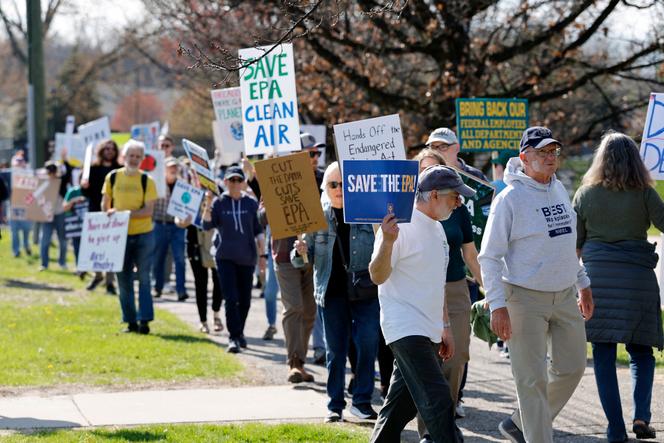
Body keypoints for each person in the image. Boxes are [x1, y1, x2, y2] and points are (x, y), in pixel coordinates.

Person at [478, 126, 594, 443]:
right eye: (542, 152)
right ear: (524, 158)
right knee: (531, 381)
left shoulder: (558, 189)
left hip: (564, 295)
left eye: (553, 151)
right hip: (523, 300)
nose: (549, 158)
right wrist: (498, 306)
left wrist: (582, 282)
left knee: (572, 368)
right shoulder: (509, 199)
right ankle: (536, 434)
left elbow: (567, 244)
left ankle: (519, 422)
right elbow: (488, 257)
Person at [369, 165, 474, 443]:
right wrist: (387, 242)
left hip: (429, 329)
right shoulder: (398, 225)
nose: (459, 202)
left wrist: (445, 327)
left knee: (399, 409)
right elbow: (377, 275)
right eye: (455, 196)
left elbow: (437, 283)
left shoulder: (438, 229)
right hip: (404, 328)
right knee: (438, 400)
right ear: (435, 195)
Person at [573, 132, 663, 442]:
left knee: (603, 353)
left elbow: (575, 245)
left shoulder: (585, 194)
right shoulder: (644, 193)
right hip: (638, 280)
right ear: (636, 160)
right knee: (642, 353)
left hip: (597, 282)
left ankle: (614, 428)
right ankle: (641, 417)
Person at [293, 161, 379, 422]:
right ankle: (335, 405)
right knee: (336, 351)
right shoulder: (315, 216)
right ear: (325, 187)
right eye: (333, 184)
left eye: (344, 184)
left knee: (367, 344)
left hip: (366, 291)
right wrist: (299, 252)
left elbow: (383, 249)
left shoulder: (367, 213)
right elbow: (299, 261)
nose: (339, 188)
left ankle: (362, 402)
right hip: (331, 294)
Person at [413, 148, 483, 439]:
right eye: (422, 171)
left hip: (454, 289)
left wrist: (487, 287)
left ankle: (446, 418)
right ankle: (430, 430)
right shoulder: (408, 212)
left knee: (455, 360)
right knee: (428, 363)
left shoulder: (457, 209)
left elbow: (470, 252)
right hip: (420, 290)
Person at [202, 166, 265, 353]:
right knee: (230, 298)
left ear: (243, 182)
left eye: (239, 180)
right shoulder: (219, 203)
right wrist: (207, 203)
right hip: (224, 257)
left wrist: (263, 256)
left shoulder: (251, 203)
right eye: (232, 180)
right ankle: (233, 337)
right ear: (226, 182)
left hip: (247, 257)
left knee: (245, 300)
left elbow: (258, 231)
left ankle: (240, 333)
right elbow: (206, 225)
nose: (235, 184)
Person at [102, 140, 158, 334]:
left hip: (143, 234)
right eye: (130, 156)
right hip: (119, 237)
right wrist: (109, 212)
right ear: (123, 157)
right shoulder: (112, 177)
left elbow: (148, 210)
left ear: (142, 159)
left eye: (137, 156)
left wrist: (124, 214)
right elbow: (105, 203)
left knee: (144, 278)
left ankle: (144, 321)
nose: (133, 159)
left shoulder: (147, 181)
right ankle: (130, 321)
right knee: (123, 279)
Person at [82, 139, 120, 294]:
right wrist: (83, 186)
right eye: (107, 148)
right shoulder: (92, 169)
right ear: (101, 150)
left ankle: (110, 281)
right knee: (97, 247)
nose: (109, 151)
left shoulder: (119, 170)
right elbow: (86, 193)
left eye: (112, 149)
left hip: (113, 213)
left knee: (111, 248)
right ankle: (98, 276)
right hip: (95, 213)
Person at [152, 157, 188, 301]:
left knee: (179, 259)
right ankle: (157, 287)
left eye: (175, 167)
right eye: (170, 167)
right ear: (165, 169)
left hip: (177, 226)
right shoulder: (157, 185)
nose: (173, 170)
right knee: (158, 257)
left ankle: (181, 290)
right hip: (160, 224)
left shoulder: (183, 186)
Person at [39, 160, 70, 271]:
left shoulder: (61, 182)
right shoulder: (42, 183)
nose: (51, 174)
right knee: (45, 239)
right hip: (47, 215)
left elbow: (68, 173)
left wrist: (64, 160)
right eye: (49, 172)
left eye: (53, 171)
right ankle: (44, 264)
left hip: (60, 213)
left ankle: (62, 262)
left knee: (62, 239)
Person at [9, 151, 32, 257]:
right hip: (13, 205)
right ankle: (16, 251)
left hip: (25, 205)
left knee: (26, 229)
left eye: (21, 161)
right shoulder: (10, 173)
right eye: (17, 161)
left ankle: (26, 246)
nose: (19, 163)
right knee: (14, 231)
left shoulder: (28, 172)